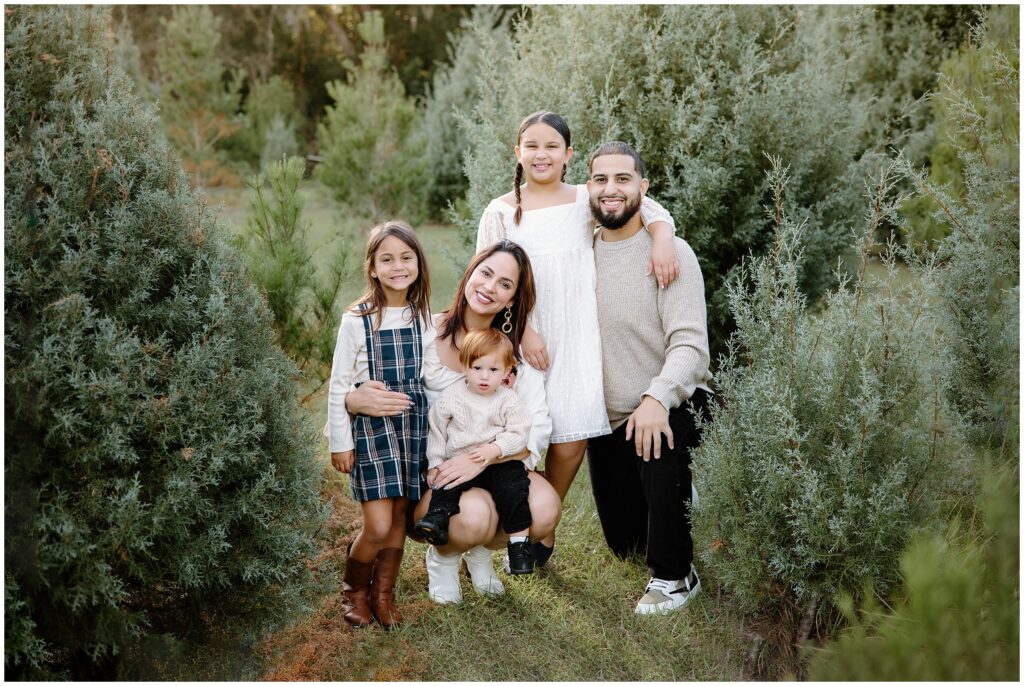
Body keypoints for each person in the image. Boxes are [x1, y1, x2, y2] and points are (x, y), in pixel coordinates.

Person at [475, 111, 681, 565]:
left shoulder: (581, 200)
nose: (541, 154)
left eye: (552, 146)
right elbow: (486, 276)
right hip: (520, 335)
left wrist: (663, 239)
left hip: (578, 335)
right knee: (519, 434)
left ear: (568, 155)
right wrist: (524, 327)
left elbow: (649, 207)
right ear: (518, 153)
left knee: (570, 442)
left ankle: (544, 528)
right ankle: (507, 527)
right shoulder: (502, 210)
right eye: (532, 145)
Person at [346, 241, 560, 604]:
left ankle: (478, 553)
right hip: (434, 476)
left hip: (498, 465)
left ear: (510, 301)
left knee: (544, 509)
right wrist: (353, 398)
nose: (490, 287)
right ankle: (444, 557)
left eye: (505, 285)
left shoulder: (512, 359)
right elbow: (368, 377)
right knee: (473, 516)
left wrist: (482, 456)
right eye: (486, 273)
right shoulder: (424, 332)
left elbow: (535, 430)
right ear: (470, 274)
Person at [585, 141, 714, 615]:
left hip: (675, 398)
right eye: (601, 179)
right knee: (626, 544)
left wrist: (656, 398)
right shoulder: (581, 252)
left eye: (623, 179)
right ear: (588, 189)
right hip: (609, 418)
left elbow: (690, 347)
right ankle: (677, 494)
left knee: (658, 442)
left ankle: (676, 577)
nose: (611, 189)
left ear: (644, 187)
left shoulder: (670, 253)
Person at [324, 221, 459, 629]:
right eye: (387, 259)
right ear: (372, 267)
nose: (398, 266)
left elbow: (432, 375)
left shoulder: (423, 316)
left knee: (401, 516)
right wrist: (339, 442)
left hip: (413, 426)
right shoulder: (357, 319)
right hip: (373, 430)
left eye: (406, 257)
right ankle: (353, 592)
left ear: (418, 261)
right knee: (378, 524)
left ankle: (383, 596)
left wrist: (474, 385)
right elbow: (339, 386)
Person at [415, 328, 535, 575]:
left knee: (514, 488)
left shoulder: (507, 399)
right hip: (459, 460)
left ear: (506, 371)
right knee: (446, 484)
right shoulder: (452, 396)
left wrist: (495, 448)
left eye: (493, 370)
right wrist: (436, 463)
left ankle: (518, 544)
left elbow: (519, 431)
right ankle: (437, 519)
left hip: (497, 461)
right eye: (477, 368)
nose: (484, 376)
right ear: (464, 365)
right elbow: (437, 430)